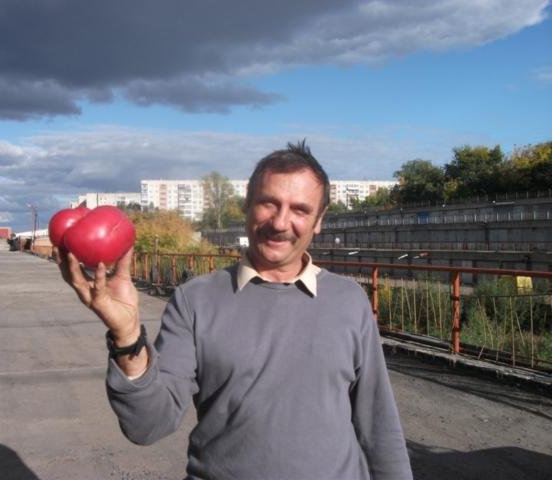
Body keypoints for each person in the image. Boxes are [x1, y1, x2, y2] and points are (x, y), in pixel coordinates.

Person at [55, 141, 412, 479]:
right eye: (268, 203)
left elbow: (378, 425)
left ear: (319, 220)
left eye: (300, 209)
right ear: (247, 205)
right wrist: (127, 336)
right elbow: (148, 425)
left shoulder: (348, 301)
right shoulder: (196, 300)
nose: (280, 222)